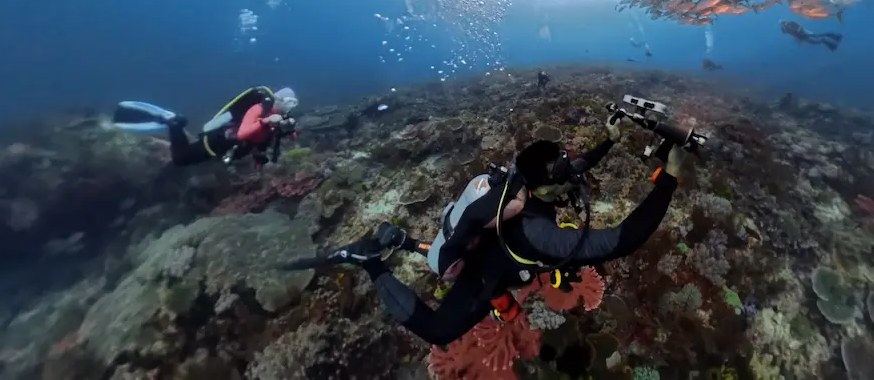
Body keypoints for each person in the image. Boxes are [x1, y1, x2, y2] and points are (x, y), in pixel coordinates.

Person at [283, 115, 692, 345]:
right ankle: (371, 263)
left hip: (489, 245)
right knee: (439, 331)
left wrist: (610, 138)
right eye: (563, 168)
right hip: (486, 269)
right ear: (544, 186)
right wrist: (669, 178)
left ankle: (405, 241)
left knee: (475, 272)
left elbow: (575, 167)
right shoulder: (540, 234)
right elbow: (623, 239)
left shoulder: (525, 183)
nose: (573, 169)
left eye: (566, 159)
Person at [111, 86, 300, 166]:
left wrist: (288, 131)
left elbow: (260, 142)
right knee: (180, 159)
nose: (289, 107)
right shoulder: (260, 109)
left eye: (294, 104)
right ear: (278, 99)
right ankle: (173, 122)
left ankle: (168, 132)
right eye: (288, 102)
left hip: (221, 147)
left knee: (187, 149)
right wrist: (266, 121)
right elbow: (243, 134)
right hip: (216, 142)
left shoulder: (275, 120)